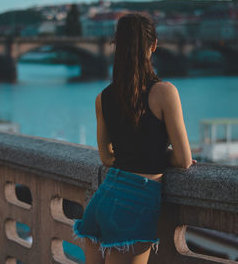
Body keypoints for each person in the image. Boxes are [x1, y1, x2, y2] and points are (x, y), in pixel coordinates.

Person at [73, 13, 194, 264]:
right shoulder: (164, 93)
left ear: (118, 46)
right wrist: (157, 155)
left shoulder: (103, 97)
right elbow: (184, 160)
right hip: (135, 202)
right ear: (154, 45)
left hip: (103, 198)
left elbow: (106, 157)